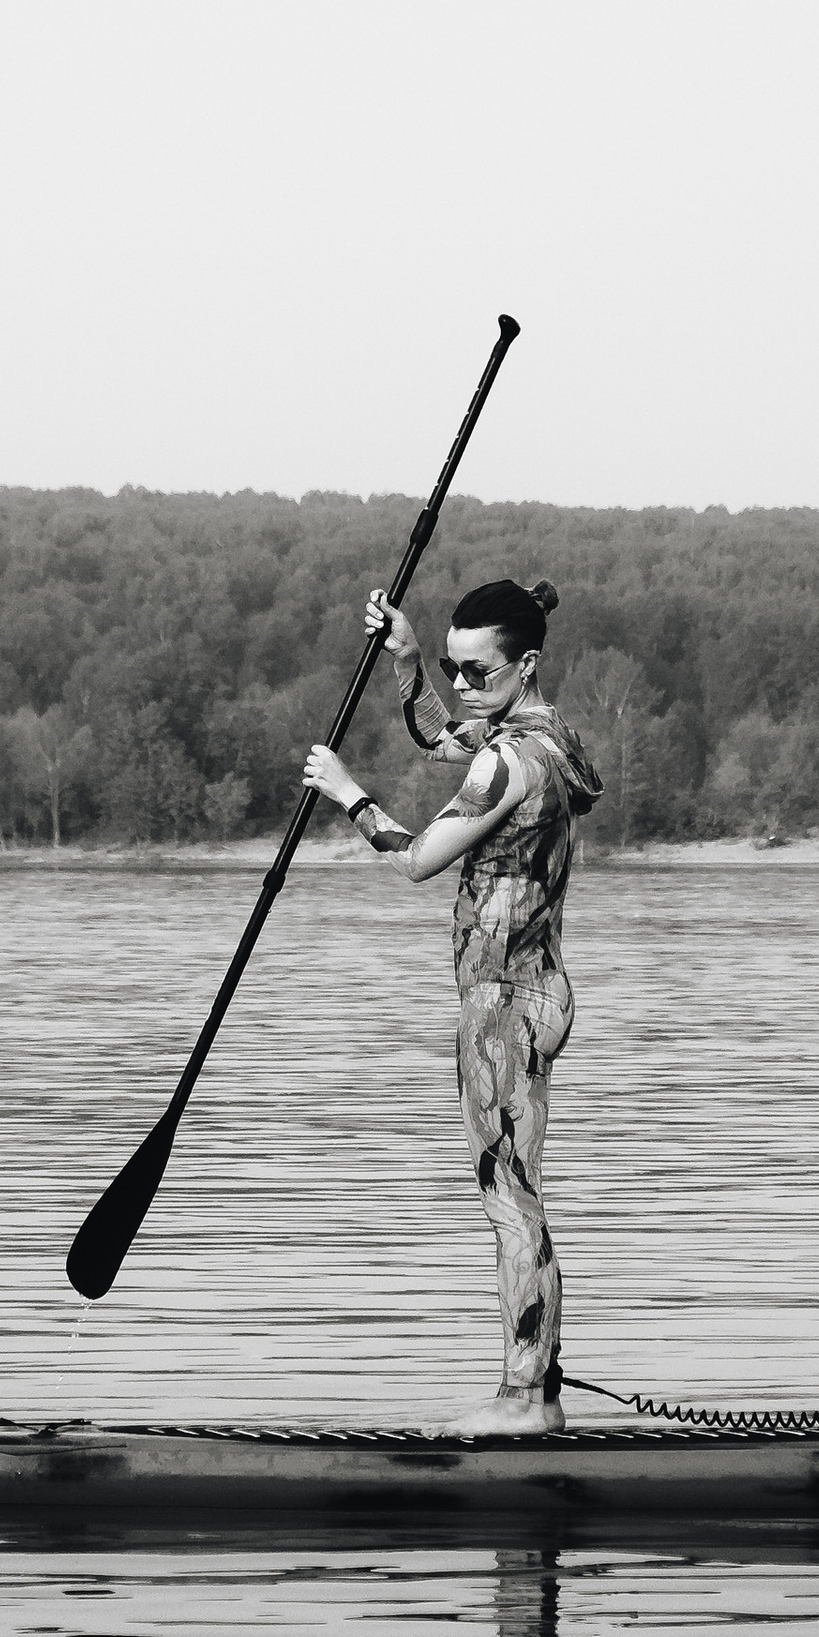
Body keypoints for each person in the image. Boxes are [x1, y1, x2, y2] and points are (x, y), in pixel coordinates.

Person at [303, 577, 604, 1437]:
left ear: (528, 663)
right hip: (533, 988)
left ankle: (524, 1401)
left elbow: (418, 859)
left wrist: (347, 794)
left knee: (511, 1201)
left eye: (479, 671)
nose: (464, 685)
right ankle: (532, 1390)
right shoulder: (546, 738)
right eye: (454, 667)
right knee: (515, 1194)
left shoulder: (510, 762)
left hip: (504, 1002)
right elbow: (444, 740)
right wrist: (405, 662)